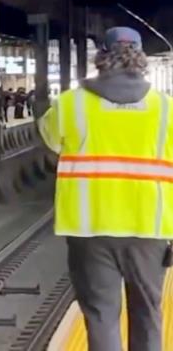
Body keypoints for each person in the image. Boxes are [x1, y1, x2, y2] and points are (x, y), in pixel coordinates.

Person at [38, 27, 173, 351]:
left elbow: (51, 139)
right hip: (149, 228)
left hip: (90, 229)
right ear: (140, 58)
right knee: (148, 315)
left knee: (100, 316)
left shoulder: (70, 104)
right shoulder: (166, 108)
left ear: (101, 57)